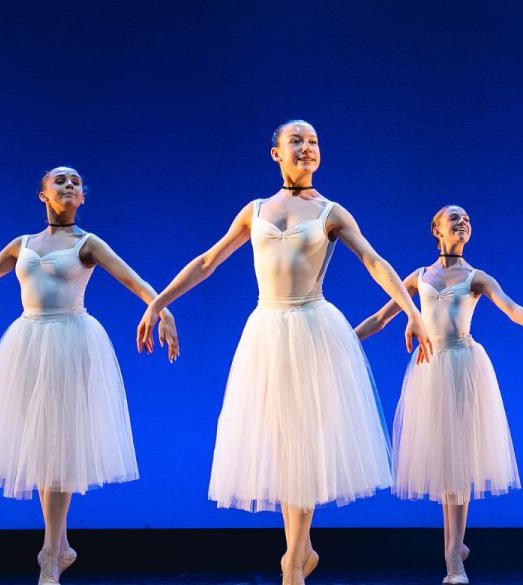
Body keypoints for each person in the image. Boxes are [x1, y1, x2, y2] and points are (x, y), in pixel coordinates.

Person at [136, 120, 430, 585]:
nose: (307, 148)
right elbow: (208, 261)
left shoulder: (331, 212)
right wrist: (160, 301)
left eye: (314, 142)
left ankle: (292, 561)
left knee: (305, 438)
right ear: (276, 153)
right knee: (281, 436)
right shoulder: (255, 211)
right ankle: (301, 549)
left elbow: (375, 261)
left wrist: (412, 311)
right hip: (268, 330)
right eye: (297, 141)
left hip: (313, 328)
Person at [0, 166, 178, 584]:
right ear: (43, 195)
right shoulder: (21, 245)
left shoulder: (87, 244)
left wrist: (161, 308)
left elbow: (133, 280)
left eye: (76, 183)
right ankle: (58, 547)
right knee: (43, 445)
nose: (69, 186)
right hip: (28, 342)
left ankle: (49, 555)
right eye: (60, 181)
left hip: (72, 341)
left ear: (82, 198)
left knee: (60, 443)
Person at [354, 204, 523, 584]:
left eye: (468, 218)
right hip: (429, 371)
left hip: (463, 367)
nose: (463, 221)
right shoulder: (418, 277)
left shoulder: (475, 277)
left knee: (459, 463)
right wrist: (345, 341)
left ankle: (454, 558)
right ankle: (456, 546)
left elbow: (512, 308)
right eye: (454, 218)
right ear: (436, 230)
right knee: (443, 464)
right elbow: (380, 317)